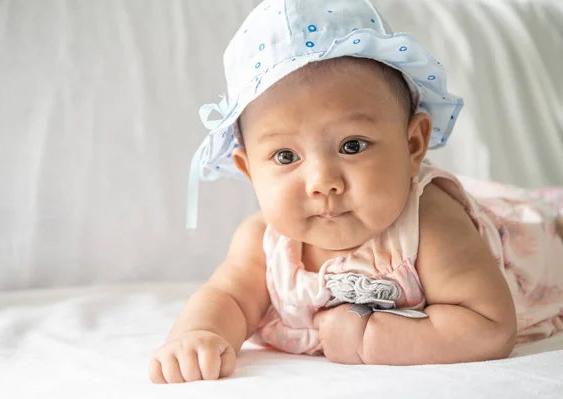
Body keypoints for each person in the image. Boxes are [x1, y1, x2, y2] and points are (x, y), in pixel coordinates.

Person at [149, 0, 563, 384]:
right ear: (249, 170)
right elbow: (229, 298)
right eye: (286, 155)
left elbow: (490, 326)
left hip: (537, 239)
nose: (322, 181)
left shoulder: (431, 224)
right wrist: (198, 334)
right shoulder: (263, 244)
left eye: (352, 146)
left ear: (413, 144)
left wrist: (369, 340)